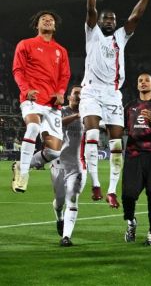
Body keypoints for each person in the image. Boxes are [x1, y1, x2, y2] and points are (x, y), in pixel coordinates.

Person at [80, 0, 151, 208]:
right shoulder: (92, 33)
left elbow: (137, 15)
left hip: (113, 94)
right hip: (92, 91)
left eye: (112, 20)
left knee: (116, 145)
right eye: (106, 19)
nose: (109, 21)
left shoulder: (120, 38)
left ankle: (112, 190)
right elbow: (91, 10)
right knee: (92, 135)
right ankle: (95, 184)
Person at [12, 10, 71, 192]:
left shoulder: (61, 51)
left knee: (54, 151)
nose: (47, 21)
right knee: (33, 127)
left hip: (52, 104)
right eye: (43, 19)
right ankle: (23, 175)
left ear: (55, 27)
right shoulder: (26, 44)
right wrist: (25, 89)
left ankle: (22, 164)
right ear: (36, 25)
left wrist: (61, 92)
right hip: (32, 98)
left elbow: (65, 75)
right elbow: (18, 70)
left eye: (51, 20)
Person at [122, 73, 151, 246]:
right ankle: (131, 222)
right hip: (133, 155)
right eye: (140, 80)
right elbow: (121, 127)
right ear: (137, 85)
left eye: (147, 80)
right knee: (128, 195)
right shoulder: (130, 106)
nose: (143, 83)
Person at [44, 85, 85, 246]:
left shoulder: (88, 115)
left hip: (78, 165)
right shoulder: (61, 111)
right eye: (76, 94)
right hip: (59, 163)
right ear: (69, 97)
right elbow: (55, 125)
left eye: (82, 94)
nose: (79, 96)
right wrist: (76, 116)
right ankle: (59, 217)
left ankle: (66, 237)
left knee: (72, 199)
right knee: (60, 201)